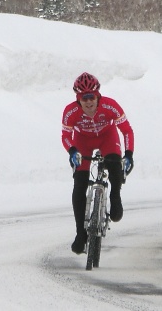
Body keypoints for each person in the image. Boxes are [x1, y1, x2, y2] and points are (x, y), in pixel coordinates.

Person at [61, 72, 135, 254]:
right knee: (80, 183)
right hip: (82, 141)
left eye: (92, 97)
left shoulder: (110, 106)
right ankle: (81, 234)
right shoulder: (70, 111)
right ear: (78, 99)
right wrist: (72, 152)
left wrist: (129, 155)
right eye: (84, 98)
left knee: (114, 164)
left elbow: (126, 131)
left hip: (107, 137)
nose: (89, 102)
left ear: (98, 95)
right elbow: (65, 136)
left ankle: (115, 197)